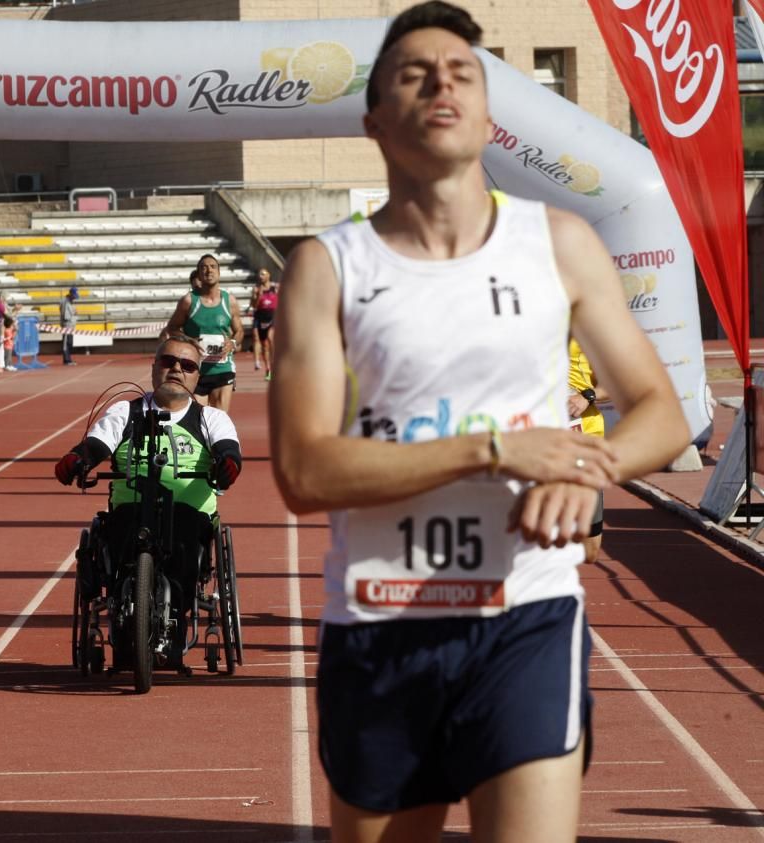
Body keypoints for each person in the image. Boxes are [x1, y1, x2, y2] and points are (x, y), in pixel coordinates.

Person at [267, 4, 689, 842]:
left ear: (491, 116)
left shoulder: (560, 244)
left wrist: (583, 467)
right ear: (375, 121)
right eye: (415, 74)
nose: (441, 84)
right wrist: (494, 448)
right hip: (381, 622)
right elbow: (304, 473)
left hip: (525, 615)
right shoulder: (327, 268)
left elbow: (662, 413)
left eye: (461, 72)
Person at [54, 334, 241, 655]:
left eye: (187, 365)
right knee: (117, 538)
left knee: (183, 537)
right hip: (130, 513)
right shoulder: (126, 412)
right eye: (168, 362)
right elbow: (99, 443)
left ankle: (173, 618)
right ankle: (124, 605)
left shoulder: (211, 418)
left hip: (189, 518)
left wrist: (228, 464)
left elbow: (228, 448)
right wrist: (78, 459)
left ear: (197, 376)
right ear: (154, 368)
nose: (176, 370)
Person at [161, 254, 244, 412]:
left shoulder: (229, 301)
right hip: (195, 369)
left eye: (213, 266)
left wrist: (232, 343)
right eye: (204, 267)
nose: (209, 270)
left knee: (220, 417)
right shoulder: (189, 301)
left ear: (219, 272)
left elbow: (239, 330)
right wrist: (189, 340)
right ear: (198, 274)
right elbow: (172, 328)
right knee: (200, 418)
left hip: (222, 368)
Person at [568, 338, 610, 564]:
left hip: (585, 441)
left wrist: (587, 397)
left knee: (590, 549)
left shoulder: (584, 333)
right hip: (542, 445)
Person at [249, 268, 278, 380]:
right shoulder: (256, 289)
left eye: (263, 274)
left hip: (272, 316)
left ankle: (275, 361)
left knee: (270, 339)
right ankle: (267, 368)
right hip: (260, 316)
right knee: (263, 344)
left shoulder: (275, 287)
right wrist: (258, 296)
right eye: (259, 274)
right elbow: (254, 306)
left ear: (268, 275)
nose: (260, 276)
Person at [61, 284, 79, 366]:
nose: (75, 298)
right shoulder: (65, 302)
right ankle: (67, 360)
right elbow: (66, 316)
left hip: (71, 326)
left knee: (70, 343)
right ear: (71, 294)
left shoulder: (70, 302)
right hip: (67, 326)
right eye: (74, 296)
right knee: (66, 343)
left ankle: (69, 359)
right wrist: (74, 314)